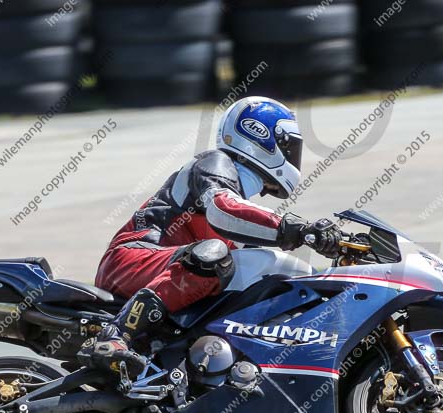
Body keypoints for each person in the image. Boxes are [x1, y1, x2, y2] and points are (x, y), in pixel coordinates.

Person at [77, 96, 343, 379]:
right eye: (289, 145)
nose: (293, 154)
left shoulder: (241, 209)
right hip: (131, 259)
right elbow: (221, 208)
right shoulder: (215, 163)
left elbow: (261, 254)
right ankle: (114, 335)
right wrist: (299, 229)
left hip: (162, 269)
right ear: (261, 135)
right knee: (214, 255)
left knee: (266, 275)